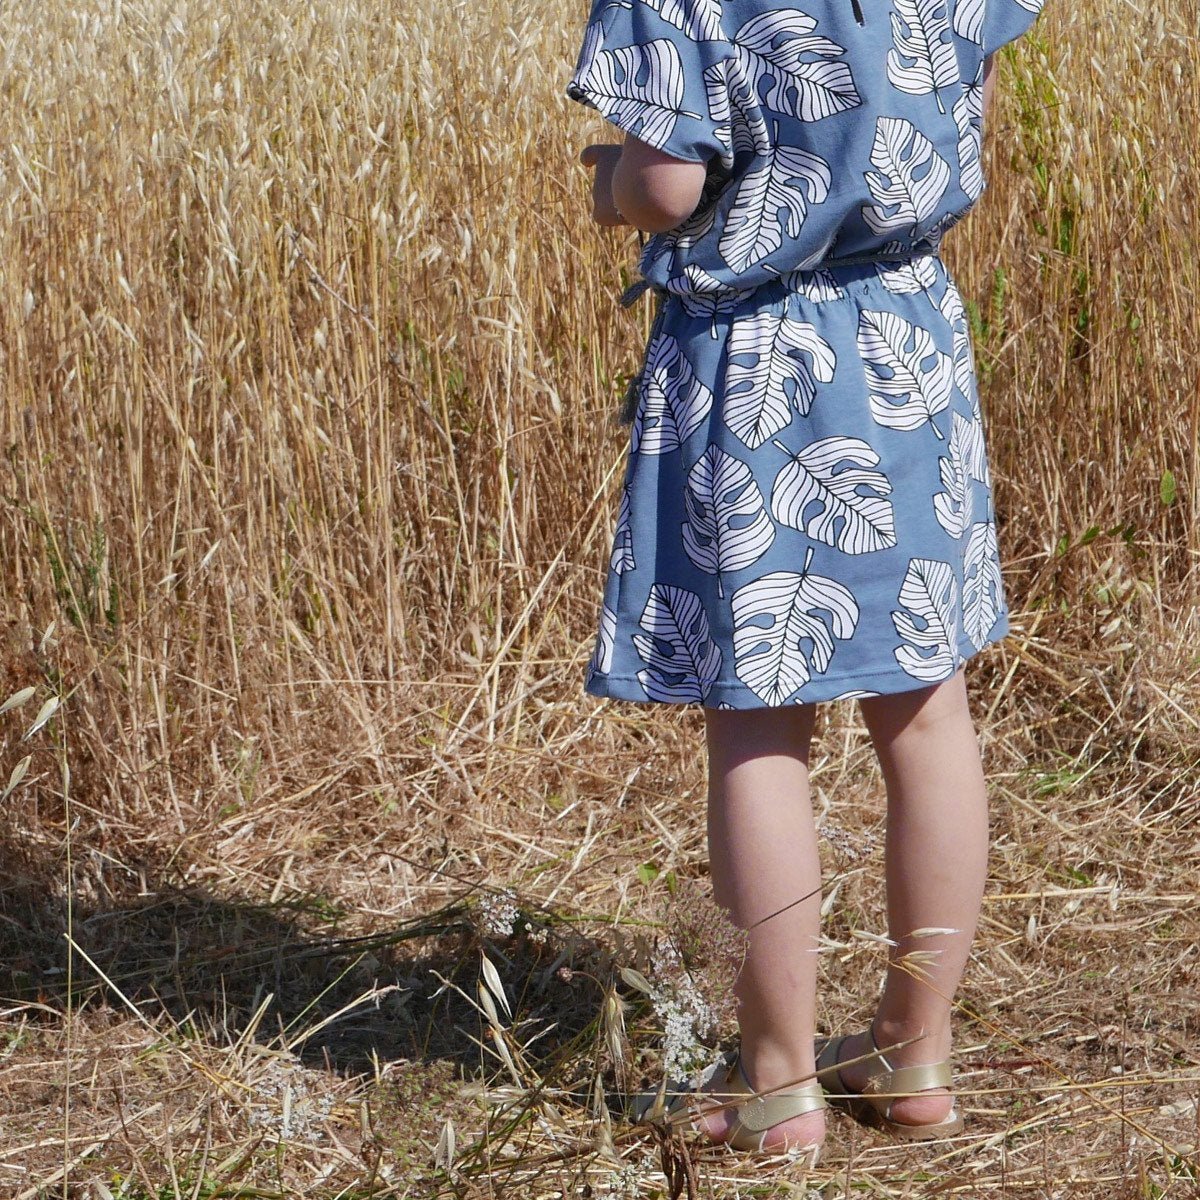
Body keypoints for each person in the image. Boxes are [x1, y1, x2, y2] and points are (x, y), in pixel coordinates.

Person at [566, 0, 1047, 1158]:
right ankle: (913, 1051)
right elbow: (972, 100)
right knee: (929, 712)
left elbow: (668, 186)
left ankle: (779, 1082)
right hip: (908, 337)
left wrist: (609, 186)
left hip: (756, 366)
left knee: (757, 721)